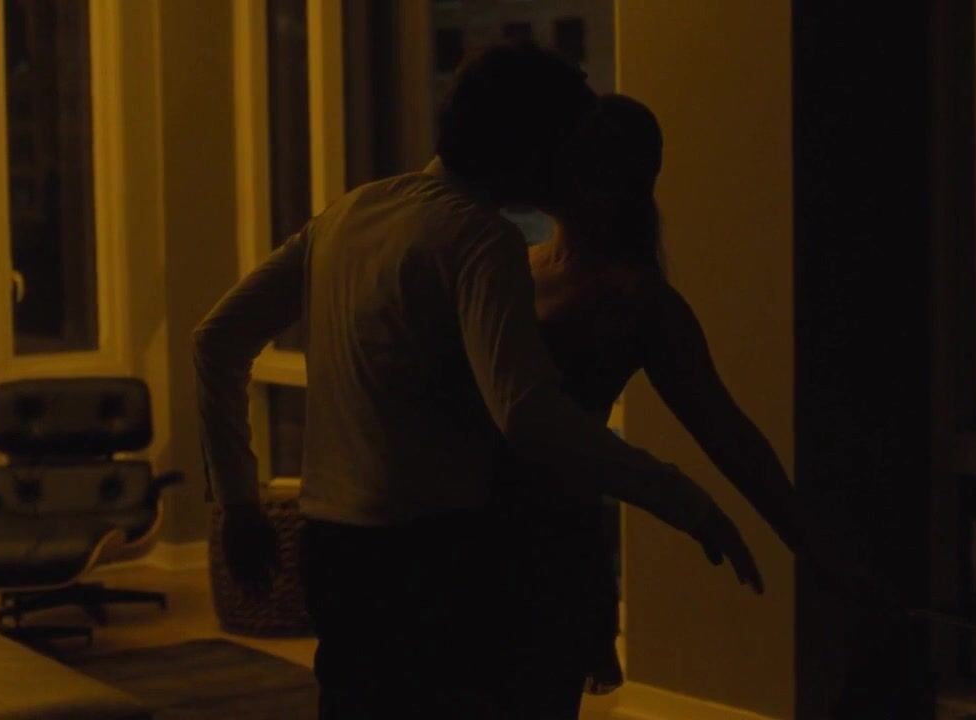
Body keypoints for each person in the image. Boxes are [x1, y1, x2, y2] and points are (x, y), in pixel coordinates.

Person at [194, 45, 761, 719]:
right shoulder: (480, 240)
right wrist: (679, 497)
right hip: (437, 556)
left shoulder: (351, 212)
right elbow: (526, 413)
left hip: (333, 548)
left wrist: (238, 502)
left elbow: (217, 339)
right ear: (529, 146)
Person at [498, 94, 885, 718]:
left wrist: (809, 542)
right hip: (473, 524)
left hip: (547, 539)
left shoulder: (636, 300)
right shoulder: (514, 263)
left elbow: (725, 429)